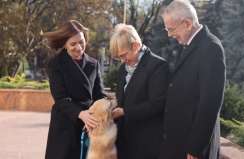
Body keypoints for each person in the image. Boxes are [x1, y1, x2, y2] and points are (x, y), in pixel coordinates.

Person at [159, 1, 226, 159]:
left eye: (171, 29)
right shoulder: (190, 44)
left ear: (187, 24)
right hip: (178, 141)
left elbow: (209, 104)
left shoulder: (211, 48)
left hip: (193, 148)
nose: (169, 34)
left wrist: (195, 149)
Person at [43, 20, 106, 159]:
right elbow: (60, 98)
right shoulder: (55, 64)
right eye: (73, 44)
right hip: (65, 124)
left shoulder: (93, 64)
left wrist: (101, 112)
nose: (79, 47)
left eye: (81, 42)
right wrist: (80, 114)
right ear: (64, 44)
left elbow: (99, 95)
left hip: (89, 125)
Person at [110, 23, 168, 159]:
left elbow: (157, 104)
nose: (122, 61)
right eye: (119, 57)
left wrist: (125, 112)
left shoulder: (158, 66)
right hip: (123, 142)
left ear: (136, 46)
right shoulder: (123, 69)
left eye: (124, 55)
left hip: (145, 144)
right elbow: (123, 99)